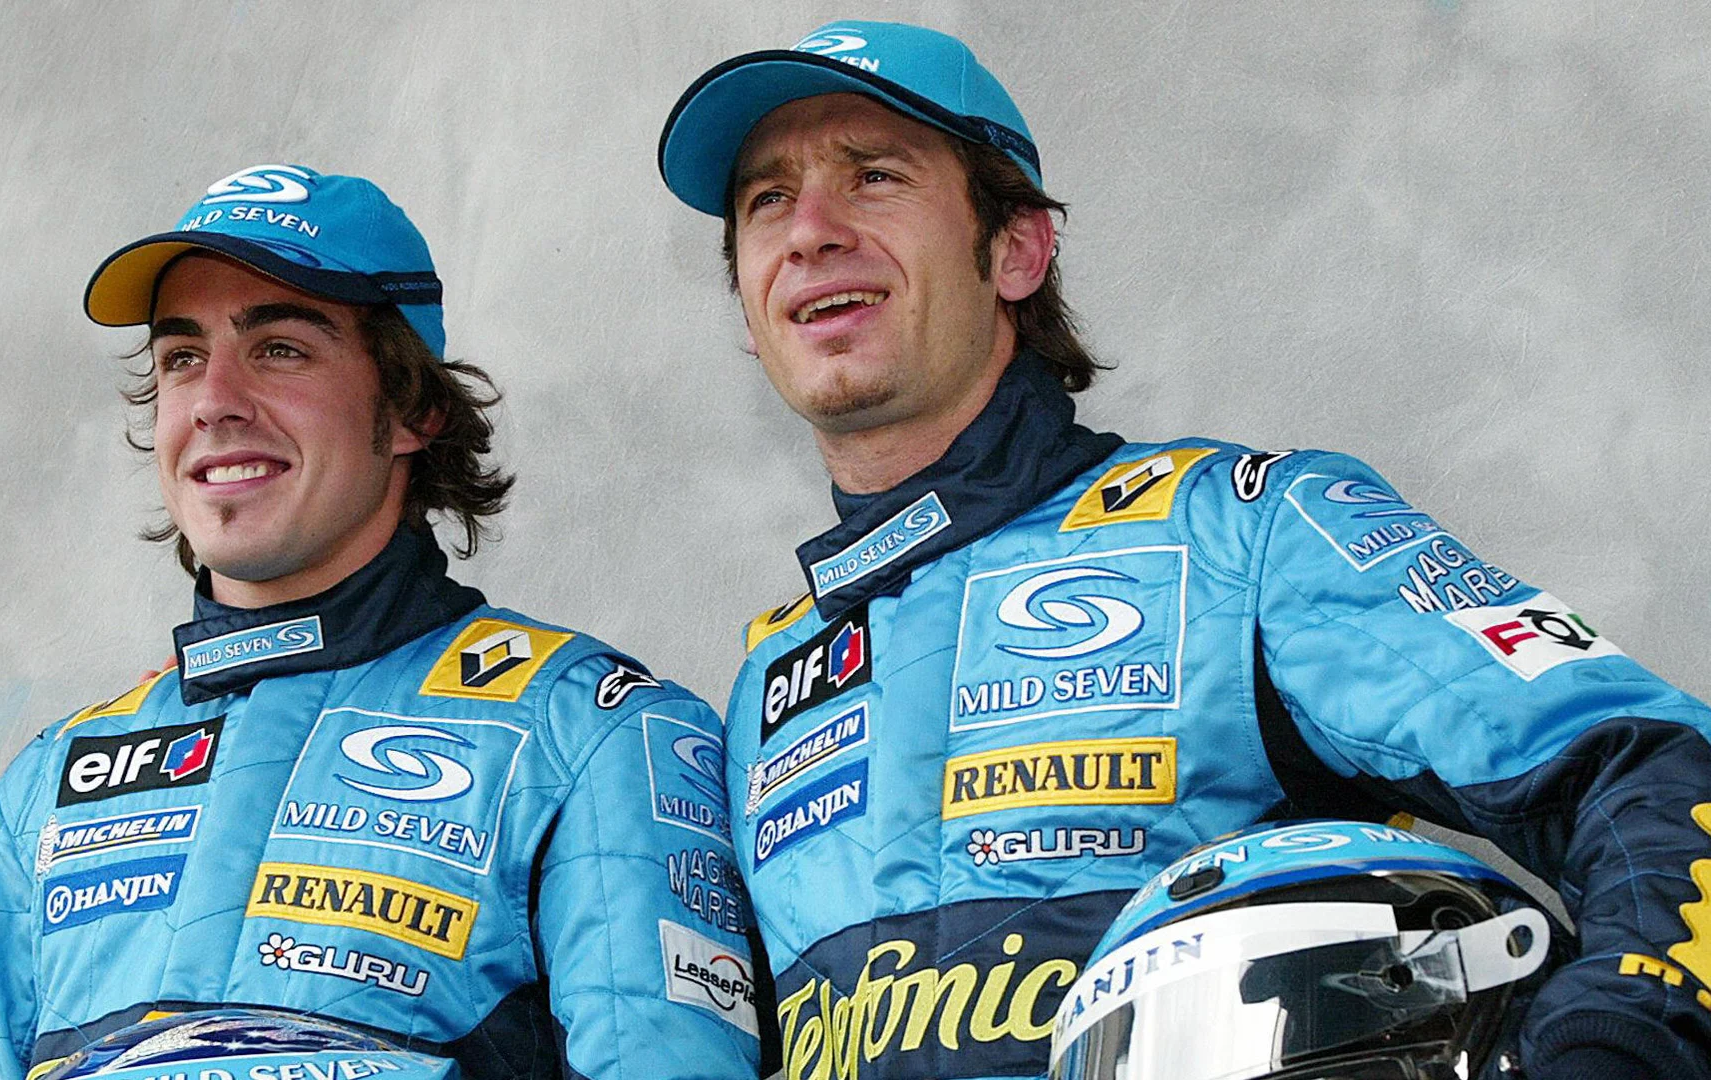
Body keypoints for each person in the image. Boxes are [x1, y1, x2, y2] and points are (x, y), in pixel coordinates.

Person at [656, 20, 1711, 1080]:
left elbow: (1659, 772)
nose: (810, 232)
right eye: (767, 201)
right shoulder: (762, 687)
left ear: (1016, 249)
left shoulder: (1243, 531)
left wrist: (1619, 1040)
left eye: (874, 176)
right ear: (748, 309)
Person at [0, 164, 760, 1080]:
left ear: (411, 406)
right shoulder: (43, 790)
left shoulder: (590, 732)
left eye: (280, 348)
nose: (213, 401)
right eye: (180, 358)